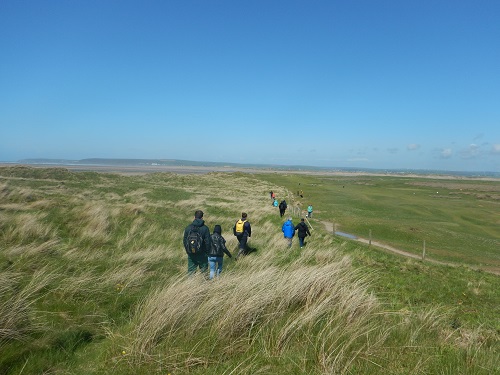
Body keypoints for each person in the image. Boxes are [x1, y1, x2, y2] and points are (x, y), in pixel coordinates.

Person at [183, 210, 211, 275]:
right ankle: (204, 285)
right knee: (204, 273)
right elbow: (208, 242)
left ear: (194, 217)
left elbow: (184, 241)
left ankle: (190, 285)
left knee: (191, 272)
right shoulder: (205, 228)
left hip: (191, 254)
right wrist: (207, 252)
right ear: (202, 218)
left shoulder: (188, 228)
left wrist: (188, 251)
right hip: (202, 254)